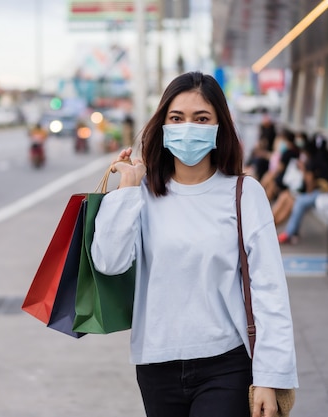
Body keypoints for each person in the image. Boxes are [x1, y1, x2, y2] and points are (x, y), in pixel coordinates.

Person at [91, 72, 298, 417]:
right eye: (177, 118)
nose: (188, 127)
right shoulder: (140, 195)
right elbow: (108, 262)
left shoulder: (245, 194)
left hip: (227, 363)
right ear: (163, 125)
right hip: (156, 364)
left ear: (219, 126)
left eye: (201, 118)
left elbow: (270, 291)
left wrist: (270, 376)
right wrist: (126, 188)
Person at [277, 133, 328, 244]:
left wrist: (303, 170)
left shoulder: (314, 160)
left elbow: (310, 183)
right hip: (327, 191)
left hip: (325, 193)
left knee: (298, 202)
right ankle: (284, 228)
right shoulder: (324, 155)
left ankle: (289, 233)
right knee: (289, 197)